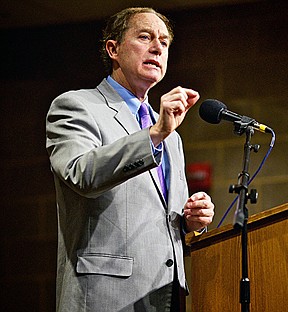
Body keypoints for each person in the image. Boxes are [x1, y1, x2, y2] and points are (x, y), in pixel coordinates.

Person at [46, 7, 215, 312]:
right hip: (105, 295)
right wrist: (154, 134)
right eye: (145, 37)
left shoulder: (170, 134)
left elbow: (160, 217)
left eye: (164, 42)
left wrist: (190, 221)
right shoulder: (76, 106)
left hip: (165, 296)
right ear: (113, 49)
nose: (157, 47)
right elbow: (81, 173)